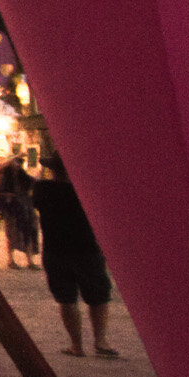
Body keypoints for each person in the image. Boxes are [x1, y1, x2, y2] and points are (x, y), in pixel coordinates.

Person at [34, 153, 119, 359]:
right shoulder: (87, 191)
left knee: (66, 299)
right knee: (98, 297)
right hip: (87, 249)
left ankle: (76, 345)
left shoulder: (43, 189)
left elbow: (35, 195)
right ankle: (100, 341)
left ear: (53, 170)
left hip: (55, 250)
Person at [0, 160, 41, 270]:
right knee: (12, 235)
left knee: (28, 233)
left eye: (19, 163)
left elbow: (34, 182)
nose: (18, 165)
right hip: (13, 210)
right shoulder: (6, 179)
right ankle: (11, 260)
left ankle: (29, 261)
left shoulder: (23, 177)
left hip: (25, 207)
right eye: (16, 163)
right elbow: (2, 194)